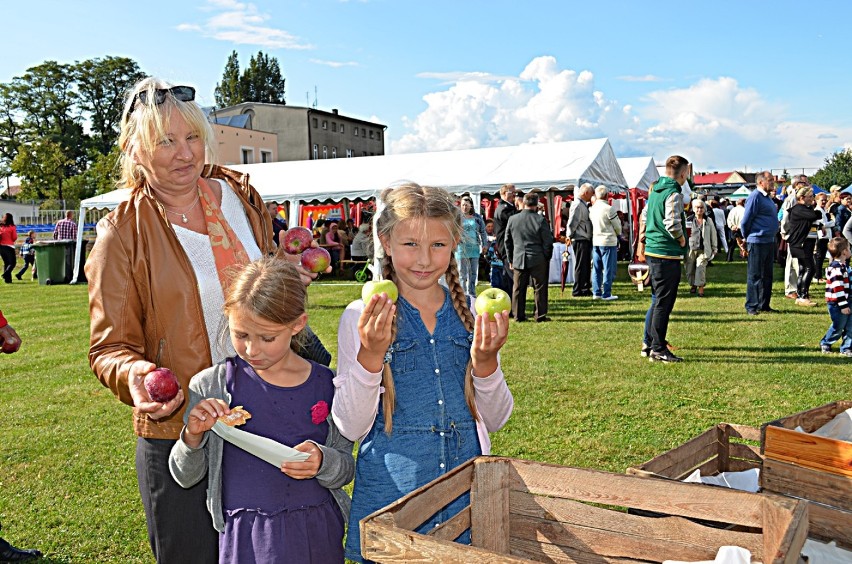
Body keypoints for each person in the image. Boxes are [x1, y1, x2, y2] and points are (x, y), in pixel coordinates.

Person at [86, 77, 328, 563]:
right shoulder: (123, 232)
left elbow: (258, 291)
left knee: (275, 547)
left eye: (192, 137)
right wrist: (137, 376)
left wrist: (285, 277)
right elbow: (107, 348)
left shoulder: (239, 195)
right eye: (165, 141)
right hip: (182, 425)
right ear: (135, 151)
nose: (184, 153)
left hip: (264, 410)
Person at [331, 182, 514, 562]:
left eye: (438, 245)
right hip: (394, 496)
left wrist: (485, 363)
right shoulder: (359, 316)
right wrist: (371, 355)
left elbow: (495, 419)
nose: (425, 259)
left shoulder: (472, 317)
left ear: (456, 244)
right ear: (385, 240)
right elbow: (349, 425)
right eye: (410, 244)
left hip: (467, 497)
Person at [168, 258, 354, 562]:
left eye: (268, 338)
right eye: (241, 335)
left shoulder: (328, 385)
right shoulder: (212, 386)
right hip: (246, 536)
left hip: (314, 531)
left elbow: (345, 468)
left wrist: (323, 461)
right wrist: (192, 436)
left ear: (297, 324)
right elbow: (184, 476)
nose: (253, 350)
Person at [643, 156, 689, 363]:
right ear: (683, 173)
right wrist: (680, 239)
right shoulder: (673, 193)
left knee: (657, 300)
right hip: (665, 252)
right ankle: (658, 348)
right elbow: (672, 222)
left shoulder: (655, 191)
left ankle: (650, 342)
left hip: (654, 250)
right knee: (664, 302)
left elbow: (645, 216)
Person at [505, 192, 554, 322]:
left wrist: (511, 259)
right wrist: (546, 257)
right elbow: (548, 241)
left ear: (524, 202)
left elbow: (507, 241)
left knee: (518, 288)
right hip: (538, 258)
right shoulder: (540, 220)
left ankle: (518, 315)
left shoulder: (513, 219)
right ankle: (540, 314)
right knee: (540, 288)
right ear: (536, 203)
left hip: (519, 257)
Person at [741, 171, 781, 315]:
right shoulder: (755, 197)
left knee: (767, 275)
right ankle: (752, 305)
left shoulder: (768, 198)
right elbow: (745, 221)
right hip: (757, 241)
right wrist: (747, 237)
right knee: (755, 275)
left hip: (769, 240)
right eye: (770, 180)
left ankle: (764, 304)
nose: (773, 183)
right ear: (760, 182)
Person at [786, 186, 823, 306]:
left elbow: (812, 219)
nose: (813, 198)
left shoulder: (804, 209)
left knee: (803, 268)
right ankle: (803, 295)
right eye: (810, 196)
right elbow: (815, 215)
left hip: (803, 243)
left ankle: (801, 294)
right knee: (810, 268)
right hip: (800, 244)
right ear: (802, 197)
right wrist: (816, 214)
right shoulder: (798, 209)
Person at [820, 237, 852, 356]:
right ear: (844, 251)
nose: (850, 250)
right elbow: (838, 289)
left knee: (850, 326)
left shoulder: (845, 267)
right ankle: (826, 342)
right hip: (836, 303)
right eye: (849, 248)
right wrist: (843, 305)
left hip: (848, 299)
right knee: (838, 325)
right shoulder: (836, 269)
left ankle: (847, 347)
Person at [589, 185, 621, 301]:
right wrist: (618, 233)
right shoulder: (609, 208)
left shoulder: (592, 209)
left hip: (596, 241)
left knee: (596, 268)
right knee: (608, 268)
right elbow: (617, 227)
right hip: (608, 241)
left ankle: (596, 292)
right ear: (607, 195)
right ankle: (606, 293)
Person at [455, 195, 488, 298]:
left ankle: (472, 293)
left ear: (471, 206)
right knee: (462, 273)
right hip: (461, 248)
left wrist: (485, 244)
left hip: (474, 248)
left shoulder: (477, 217)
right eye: (463, 205)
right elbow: (451, 230)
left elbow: (483, 232)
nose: (464, 207)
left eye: (466, 205)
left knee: (473, 273)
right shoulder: (457, 217)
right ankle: (463, 294)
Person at [684, 199, 718, 297]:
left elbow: (713, 234)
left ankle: (700, 289)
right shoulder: (688, 220)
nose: (699, 209)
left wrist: (714, 248)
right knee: (689, 269)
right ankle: (693, 284)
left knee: (700, 268)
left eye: (701, 207)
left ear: (704, 209)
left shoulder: (708, 220)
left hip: (704, 249)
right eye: (697, 207)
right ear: (694, 209)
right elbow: (684, 234)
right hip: (690, 248)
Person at [566, 183, 594, 297]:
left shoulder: (582, 204)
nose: (592, 196)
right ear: (586, 193)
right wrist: (569, 235)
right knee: (581, 265)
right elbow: (572, 222)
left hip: (584, 238)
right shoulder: (577, 204)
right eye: (591, 194)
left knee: (585, 265)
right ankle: (577, 289)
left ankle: (585, 287)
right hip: (579, 238)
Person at [492, 183, 518, 298]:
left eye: (515, 192)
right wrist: (522, 209)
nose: (514, 195)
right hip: (507, 247)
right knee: (512, 278)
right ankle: (513, 306)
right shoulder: (503, 209)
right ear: (503, 193)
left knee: (510, 278)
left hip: (510, 246)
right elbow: (516, 221)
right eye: (512, 192)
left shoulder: (509, 207)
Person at [814, 192, 835, 281]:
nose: (824, 202)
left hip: (826, 236)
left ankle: (819, 275)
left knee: (822, 257)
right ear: (817, 200)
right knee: (819, 256)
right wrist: (833, 222)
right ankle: (817, 276)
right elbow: (822, 224)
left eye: (825, 200)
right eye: (822, 200)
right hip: (821, 236)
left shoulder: (824, 210)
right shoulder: (817, 210)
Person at [0, 214, 16, 284]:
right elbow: (14, 237)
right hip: (9, 246)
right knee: (12, 263)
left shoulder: (1, 227)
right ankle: (5, 274)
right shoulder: (12, 227)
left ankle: (8, 280)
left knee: (6, 263)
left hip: (1, 247)